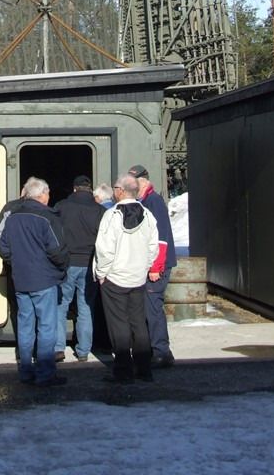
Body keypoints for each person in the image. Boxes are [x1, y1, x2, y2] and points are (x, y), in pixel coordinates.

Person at [0, 176, 69, 387]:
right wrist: (61, 267)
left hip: (21, 278)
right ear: (42, 195)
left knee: (25, 325)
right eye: (48, 193)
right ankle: (45, 373)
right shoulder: (47, 217)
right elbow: (57, 250)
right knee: (46, 326)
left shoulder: (13, 217)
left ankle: (26, 370)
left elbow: (3, 247)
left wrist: (16, 262)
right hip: (44, 278)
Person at [93, 173, 159, 383]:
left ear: (120, 191)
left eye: (115, 188)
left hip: (115, 278)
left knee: (119, 324)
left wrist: (101, 273)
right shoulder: (148, 215)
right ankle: (144, 369)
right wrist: (144, 266)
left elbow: (104, 249)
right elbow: (153, 247)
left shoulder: (111, 215)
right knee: (139, 323)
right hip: (137, 278)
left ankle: (123, 370)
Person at [129, 164, 176, 368]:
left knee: (153, 308)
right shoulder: (143, 201)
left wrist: (156, 267)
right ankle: (153, 350)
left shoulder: (153, 201)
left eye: (134, 182)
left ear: (144, 181)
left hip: (156, 265)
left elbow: (161, 238)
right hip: (148, 264)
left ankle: (161, 352)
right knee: (148, 308)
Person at [53, 175, 105, 362]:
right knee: (85, 307)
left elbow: (54, 233)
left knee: (60, 306)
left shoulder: (61, 207)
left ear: (74, 189)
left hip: (67, 263)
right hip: (89, 263)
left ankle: (58, 348)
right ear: (90, 189)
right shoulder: (100, 210)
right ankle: (83, 351)